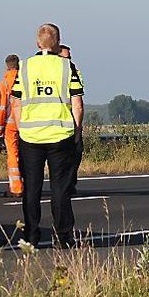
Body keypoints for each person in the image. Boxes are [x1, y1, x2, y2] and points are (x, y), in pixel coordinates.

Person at [12, 24, 84, 247]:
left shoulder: (24, 67)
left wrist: (21, 127)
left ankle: (31, 235)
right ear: (58, 42)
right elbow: (77, 104)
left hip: (31, 136)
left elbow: (15, 101)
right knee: (60, 188)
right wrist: (77, 130)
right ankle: (63, 237)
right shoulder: (67, 67)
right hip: (60, 134)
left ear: (37, 43)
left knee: (32, 189)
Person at [0, 54, 23, 198]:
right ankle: (27, 184)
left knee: (13, 155)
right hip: (26, 123)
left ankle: (16, 187)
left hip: (11, 125)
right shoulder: (26, 79)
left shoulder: (5, 82)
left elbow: (2, 106)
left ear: (7, 66)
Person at [59, 44, 83, 198]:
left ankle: (70, 183)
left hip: (71, 118)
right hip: (58, 120)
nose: (68, 60)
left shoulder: (73, 71)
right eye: (65, 57)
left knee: (77, 152)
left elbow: (78, 99)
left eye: (69, 57)